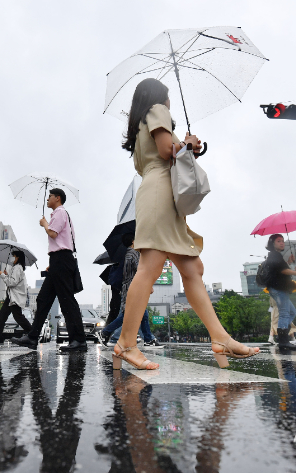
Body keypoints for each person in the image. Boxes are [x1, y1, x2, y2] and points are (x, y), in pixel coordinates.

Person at [113, 78, 259, 370]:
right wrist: (187, 143)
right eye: (168, 98)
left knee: (192, 269)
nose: (169, 103)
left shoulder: (139, 124)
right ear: (160, 98)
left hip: (156, 191)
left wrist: (186, 147)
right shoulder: (157, 109)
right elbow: (168, 150)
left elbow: (166, 152)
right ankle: (126, 343)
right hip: (160, 192)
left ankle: (220, 338)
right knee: (150, 267)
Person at [12, 188, 87, 352]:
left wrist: (44, 224)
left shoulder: (60, 212)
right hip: (58, 261)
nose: (47, 200)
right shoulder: (59, 214)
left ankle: (79, 340)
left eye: (50, 197)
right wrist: (53, 264)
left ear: (57, 198)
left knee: (67, 300)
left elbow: (53, 233)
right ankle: (32, 337)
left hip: (62, 259)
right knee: (43, 299)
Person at [95, 233, 161, 348]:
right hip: (134, 288)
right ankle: (105, 333)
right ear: (132, 241)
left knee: (140, 314)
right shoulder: (133, 254)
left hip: (130, 288)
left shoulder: (127, 254)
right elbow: (140, 271)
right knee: (128, 315)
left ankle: (148, 339)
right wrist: (149, 285)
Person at [265, 234, 296, 349]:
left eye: (282, 241)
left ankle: (281, 334)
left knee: (291, 312)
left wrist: (288, 262)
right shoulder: (274, 255)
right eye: (278, 241)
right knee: (284, 313)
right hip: (278, 288)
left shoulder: (276, 256)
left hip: (279, 288)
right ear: (273, 244)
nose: (282, 243)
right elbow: (282, 270)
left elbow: (280, 269)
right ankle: (283, 341)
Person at [0, 250, 32, 346]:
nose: (12, 258)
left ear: (17, 257)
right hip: (11, 297)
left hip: (14, 298)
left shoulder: (18, 268)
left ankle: (32, 333)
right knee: (2, 318)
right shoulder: (17, 268)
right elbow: (13, 280)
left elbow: (12, 283)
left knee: (18, 317)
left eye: (13, 256)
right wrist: (6, 275)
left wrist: (2, 275)